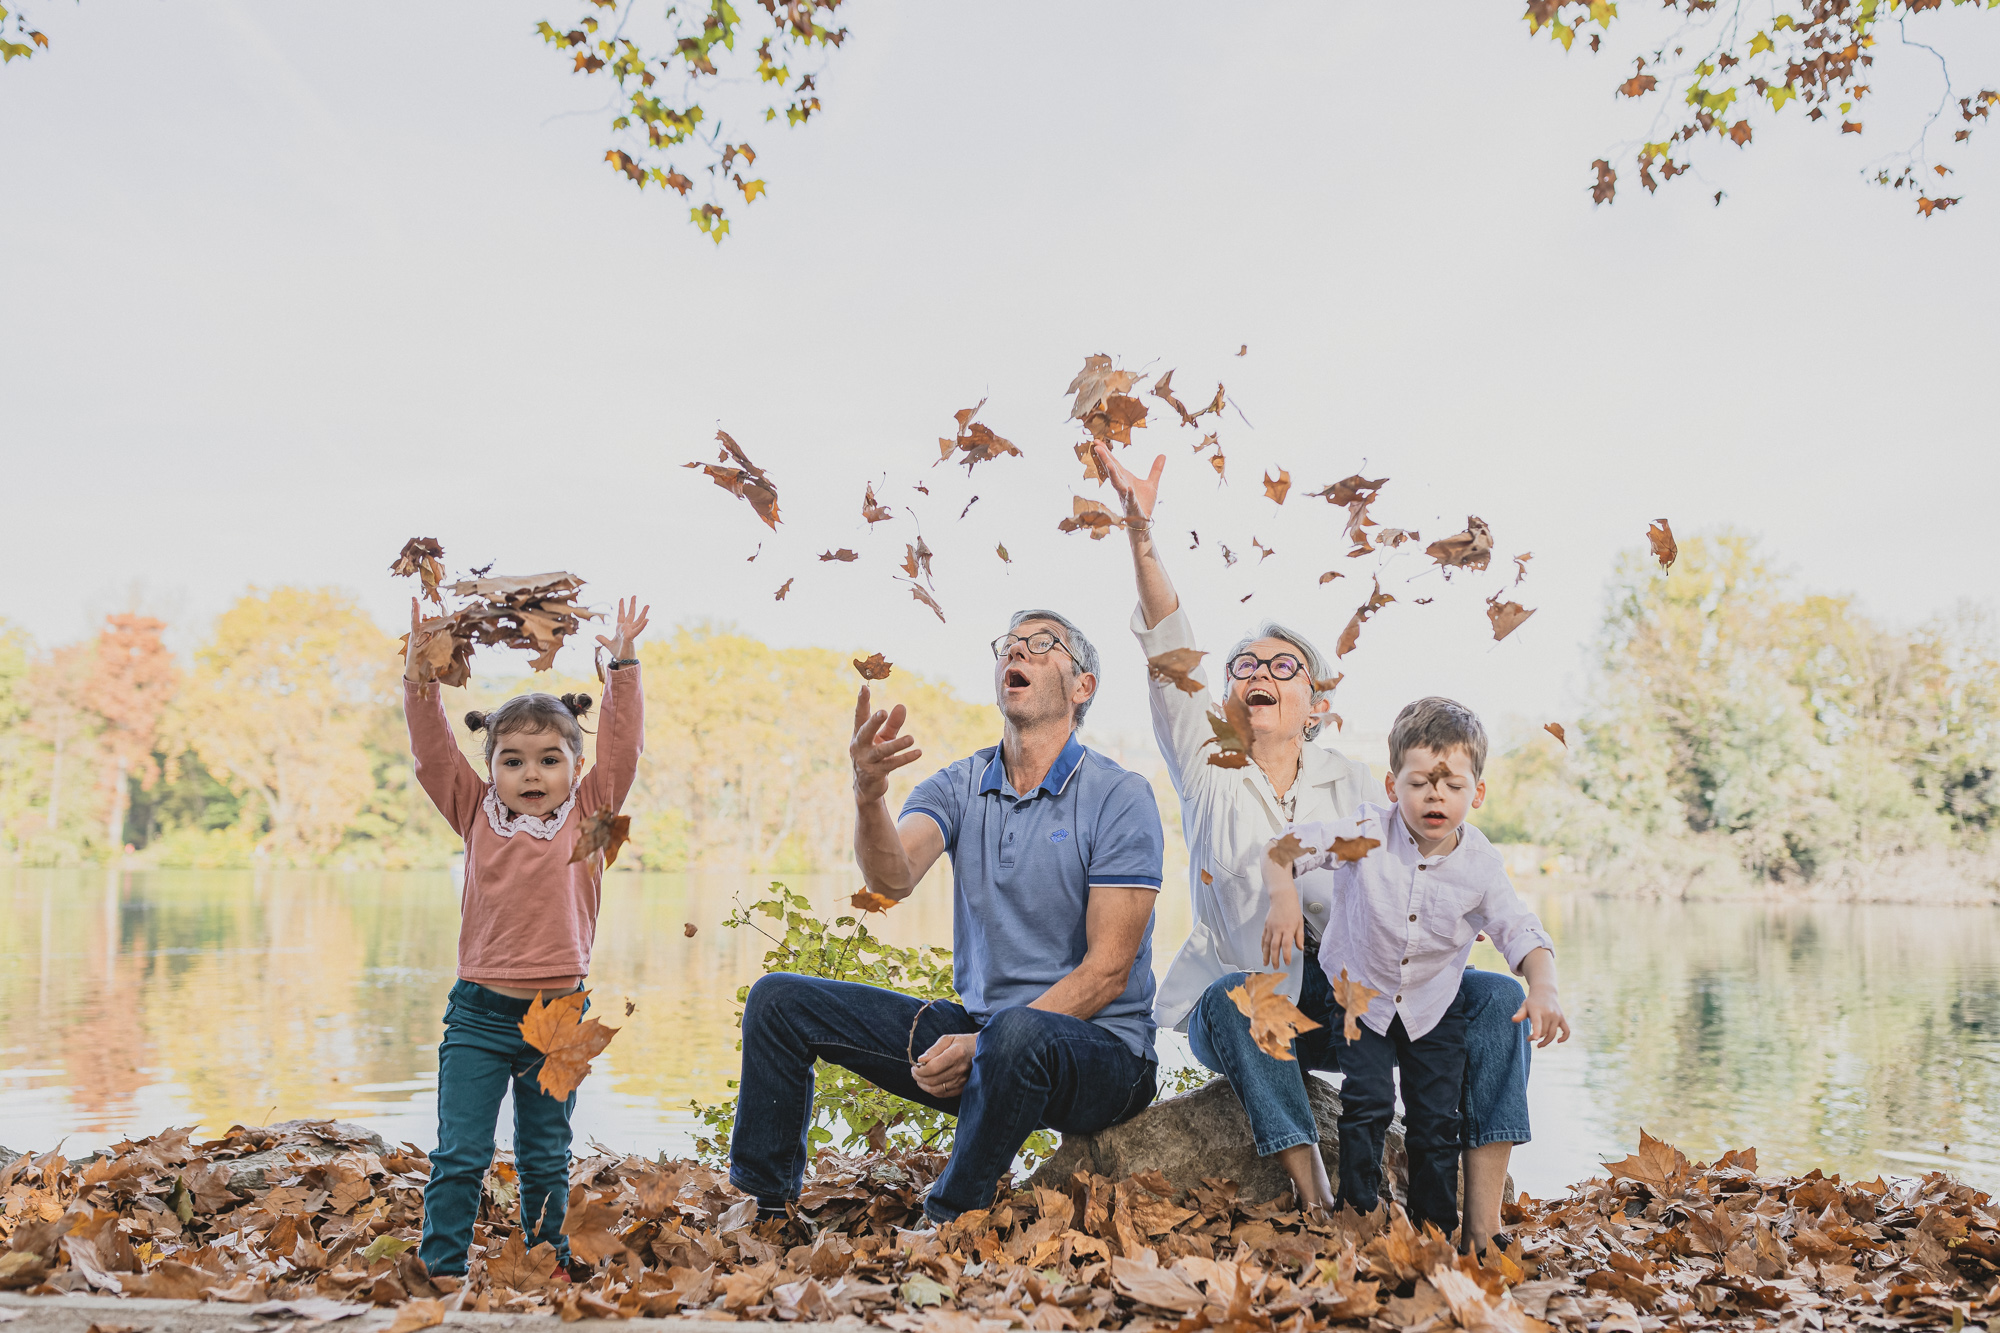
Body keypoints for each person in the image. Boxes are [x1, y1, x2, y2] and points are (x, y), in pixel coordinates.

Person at [1098, 443, 1549, 1247]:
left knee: (1494, 1001)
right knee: (1244, 995)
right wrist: (1140, 532)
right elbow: (1169, 650)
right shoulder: (1208, 760)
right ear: (1230, 694)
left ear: (1317, 704)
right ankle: (1319, 1206)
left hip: (1362, 1001)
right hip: (1250, 997)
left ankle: (1481, 1224)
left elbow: (1441, 872)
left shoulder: (1357, 784)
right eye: (1244, 665)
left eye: (1283, 665)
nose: (1257, 673)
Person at [729, 610, 1164, 1224]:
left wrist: (986, 1044)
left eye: (1042, 645)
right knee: (779, 1002)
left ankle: (949, 1219)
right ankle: (763, 1209)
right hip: (982, 1038)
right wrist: (868, 795)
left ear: (1082, 685)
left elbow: (1108, 974)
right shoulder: (960, 784)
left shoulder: (1120, 797)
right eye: (1009, 645)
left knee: (1017, 1033)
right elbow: (890, 879)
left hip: (1102, 1057)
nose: (1020, 653)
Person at [401, 596, 650, 1279]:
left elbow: (623, 747)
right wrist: (421, 669)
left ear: (575, 765)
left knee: (545, 1153)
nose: (530, 774)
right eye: (512, 761)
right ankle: (443, 1266)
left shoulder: (592, 813)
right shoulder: (474, 808)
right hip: (479, 1014)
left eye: (548, 759)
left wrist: (623, 665)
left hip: (558, 1017)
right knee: (460, 1152)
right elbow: (431, 754)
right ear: (492, 767)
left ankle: (547, 1262)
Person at [1265, 697, 1567, 1237]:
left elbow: (1517, 927)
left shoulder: (1480, 863)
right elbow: (1284, 848)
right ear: (1391, 787)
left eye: (1452, 786)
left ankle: (1436, 1229)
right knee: (1369, 1104)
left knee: (1435, 1120)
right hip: (1359, 995)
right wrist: (1284, 899)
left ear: (1476, 792)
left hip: (1433, 1003)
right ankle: (1356, 1215)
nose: (1436, 796)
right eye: (1420, 782)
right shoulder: (1366, 832)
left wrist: (1543, 987)